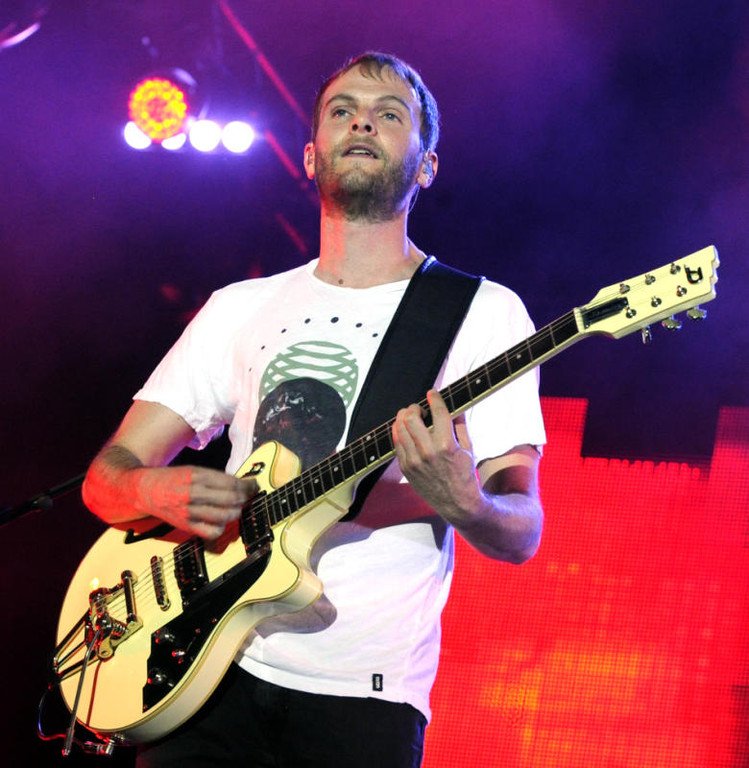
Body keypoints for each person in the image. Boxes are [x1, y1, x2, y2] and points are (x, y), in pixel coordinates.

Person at [82, 51, 546, 768]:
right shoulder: (238, 306)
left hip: (362, 698)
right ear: (309, 155)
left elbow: (521, 533)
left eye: (388, 114)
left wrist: (468, 502)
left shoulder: (484, 313)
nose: (362, 121)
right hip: (206, 668)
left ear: (426, 166)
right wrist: (152, 490)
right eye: (342, 110)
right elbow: (105, 478)